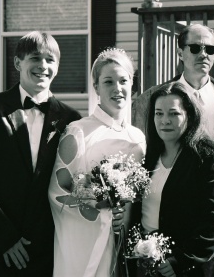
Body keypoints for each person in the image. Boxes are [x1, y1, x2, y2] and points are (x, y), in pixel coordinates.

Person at [0, 31, 82, 276]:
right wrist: (5, 237)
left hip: (45, 250)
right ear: (17, 63)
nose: (43, 66)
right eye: (35, 58)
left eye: (50, 60)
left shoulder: (70, 120)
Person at [132, 23, 214, 259]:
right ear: (180, 53)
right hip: (167, 211)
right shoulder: (151, 100)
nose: (203, 54)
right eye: (195, 47)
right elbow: (142, 155)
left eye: (210, 49)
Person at [48, 48, 146, 277]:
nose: (117, 88)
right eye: (108, 81)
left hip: (120, 238)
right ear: (96, 87)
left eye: (123, 80)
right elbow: (58, 189)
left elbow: (135, 194)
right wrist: (99, 206)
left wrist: (125, 215)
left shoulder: (138, 138)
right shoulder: (78, 131)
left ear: (132, 83)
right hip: (82, 237)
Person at [138, 82, 214, 276]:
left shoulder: (208, 159)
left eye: (174, 114)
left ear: (189, 116)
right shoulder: (146, 158)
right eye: (159, 113)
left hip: (193, 268)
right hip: (150, 265)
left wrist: (179, 260)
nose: (165, 120)